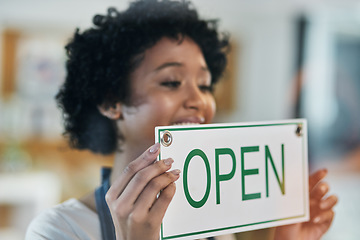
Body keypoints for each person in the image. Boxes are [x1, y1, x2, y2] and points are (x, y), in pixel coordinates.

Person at [25, 0, 338, 239]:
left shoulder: (214, 224)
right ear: (111, 102)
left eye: (204, 85)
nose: (199, 100)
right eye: (172, 82)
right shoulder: (59, 229)